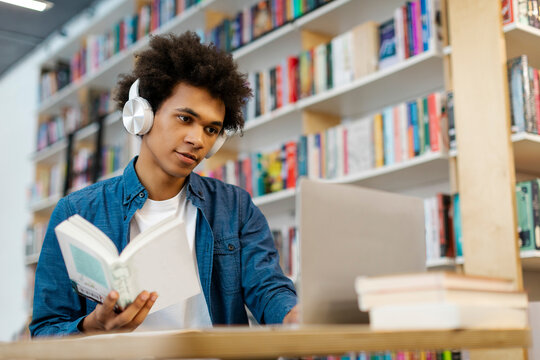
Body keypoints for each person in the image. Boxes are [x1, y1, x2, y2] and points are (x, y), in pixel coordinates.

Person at [30, 31, 298, 336]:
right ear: (141, 116)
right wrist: (93, 326)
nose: (197, 140)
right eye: (185, 119)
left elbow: (269, 289)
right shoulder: (76, 211)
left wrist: (294, 316)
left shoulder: (235, 207)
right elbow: (45, 330)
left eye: (211, 129)